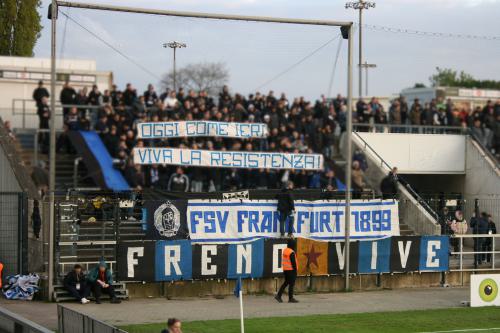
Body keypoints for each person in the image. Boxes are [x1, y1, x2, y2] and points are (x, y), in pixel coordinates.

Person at [275, 238, 299, 303]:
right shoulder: (291, 252)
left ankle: (278, 295)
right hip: (291, 270)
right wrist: (295, 270)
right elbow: (293, 262)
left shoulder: (285, 250)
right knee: (291, 284)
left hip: (286, 269)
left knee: (286, 283)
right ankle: (290, 298)